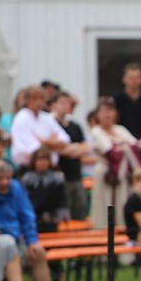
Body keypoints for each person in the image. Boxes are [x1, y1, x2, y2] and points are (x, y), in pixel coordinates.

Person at [90, 97, 141, 228]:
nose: (107, 114)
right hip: (107, 174)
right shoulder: (97, 131)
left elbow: (137, 148)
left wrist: (123, 148)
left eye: (110, 110)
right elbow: (112, 154)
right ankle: (107, 233)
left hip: (123, 175)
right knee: (108, 205)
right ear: (98, 114)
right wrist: (125, 147)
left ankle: (122, 229)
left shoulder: (120, 130)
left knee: (122, 203)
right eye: (104, 111)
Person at [49, 92, 92, 221]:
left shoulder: (75, 125)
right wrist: (71, 148)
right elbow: (56, 147)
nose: (65, 105)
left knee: (81, 208)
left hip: (76, 175)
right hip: (60, 175)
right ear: (54, 105)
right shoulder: (50, 123)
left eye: (68, 103)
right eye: (62, 102)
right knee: (64, 212)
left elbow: (86, 147)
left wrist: (71, 149)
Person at [10, 86, 70, 172]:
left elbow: (65, 140)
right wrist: (53, 143)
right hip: (28, 169)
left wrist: (44, 141)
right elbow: (32, 148)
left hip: (50, 169)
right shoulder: (21, 117)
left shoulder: (47, 117)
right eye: (34, 99)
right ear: (27, 100)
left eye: (41, 99)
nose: (38, 102)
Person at [112, 63, 141, 156]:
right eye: (131, 77)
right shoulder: (115, 100)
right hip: (119, 147)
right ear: (124, 79)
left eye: (137, 77)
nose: (134, 81)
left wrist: (140, 145)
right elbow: (111, 124)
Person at [20, 147, 69, 233]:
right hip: (33, 215)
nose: (42, 162)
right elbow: (24, 199)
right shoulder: (28, 179)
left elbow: (62, 198)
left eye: (45, 159)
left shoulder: (57, 178)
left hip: (52, 216)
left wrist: (62, 212)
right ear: (34, 161)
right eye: (39, 160)